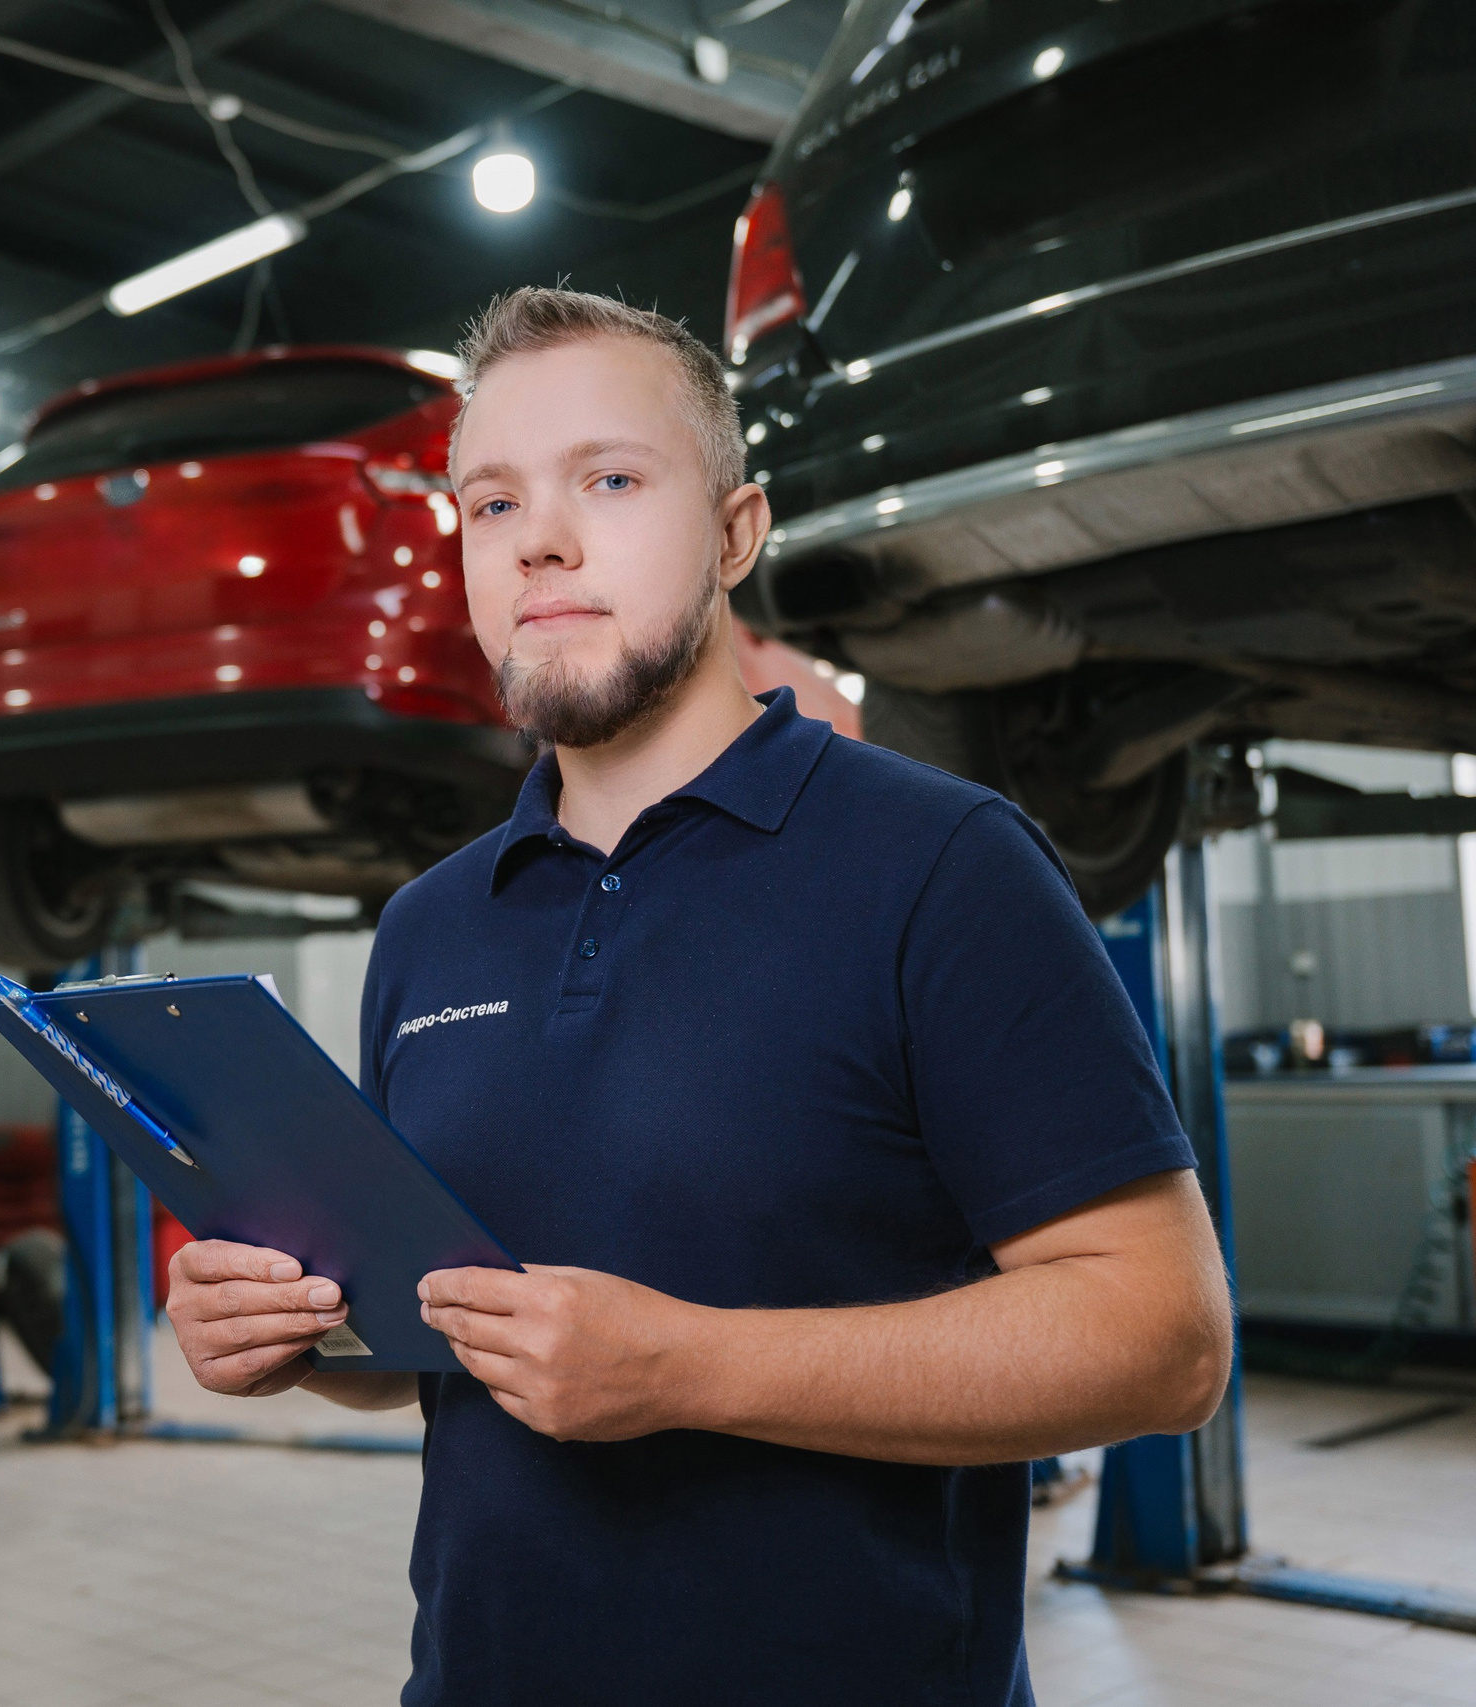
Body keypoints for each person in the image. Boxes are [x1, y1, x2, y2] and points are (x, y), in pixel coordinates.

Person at [163, 287, 1234, 1705]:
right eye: (491, 503)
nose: (541, 535)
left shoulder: (940, 866)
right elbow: (446, 1330)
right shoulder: (433, 925)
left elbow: (1165, 1338)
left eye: (608, 479)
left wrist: (694, 1367)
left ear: (737, 530)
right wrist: (295, 1334)